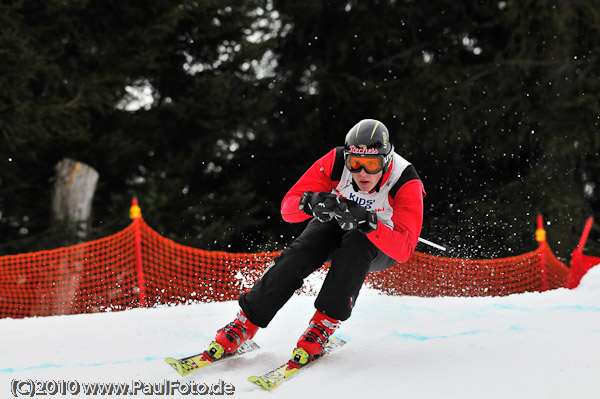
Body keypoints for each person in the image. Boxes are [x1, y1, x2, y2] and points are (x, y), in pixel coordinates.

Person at [207, 119, 425, 367]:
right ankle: (246, 321)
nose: (362, 172)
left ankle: (323, 324)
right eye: (355, 163)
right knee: (301, 251)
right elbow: (287, 209)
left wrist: (368, 222)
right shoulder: (335, 161)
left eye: (371, 164)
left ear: (386, 160)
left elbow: (404, 248)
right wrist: (309, 203)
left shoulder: (405, 180)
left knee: (357, 242)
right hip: (339, 222)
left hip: (380, 242)